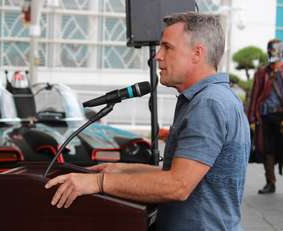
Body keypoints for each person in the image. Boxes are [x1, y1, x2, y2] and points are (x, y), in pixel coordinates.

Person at [45, 12, 250, 231]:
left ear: (197, 53)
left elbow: (177, 185)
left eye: (168, 47)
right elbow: (176, 175)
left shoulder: (209, 104)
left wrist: (98, 182)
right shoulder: (213, 98)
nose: (157, 56)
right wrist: (124, 171)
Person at [247, 39, 283, 194]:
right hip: (265, 116)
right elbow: (254, 95)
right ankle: (270, 182)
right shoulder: (262, 72)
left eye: (274, 51)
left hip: (281, 116)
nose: (272, 54)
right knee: (267, 150)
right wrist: (252, 117)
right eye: (270, 51)